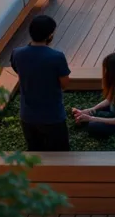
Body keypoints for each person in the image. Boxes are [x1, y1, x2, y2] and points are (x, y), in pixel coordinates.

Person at [10, 15, 71, 151]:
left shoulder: (17, 54)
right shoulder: (56, 57)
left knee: (35, 153)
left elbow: (18, 71)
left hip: (27, 116)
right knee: (61, 155)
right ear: (50, 35)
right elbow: (65, 84)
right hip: (52, 116)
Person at [72, 52, 115, 138]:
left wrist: (91, 118)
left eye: (107, 69)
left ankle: (87, 119)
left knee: (93, 126)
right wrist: (91, 110)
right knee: (88, 111)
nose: (105, 72)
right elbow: (109, 100)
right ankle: (84, 115)